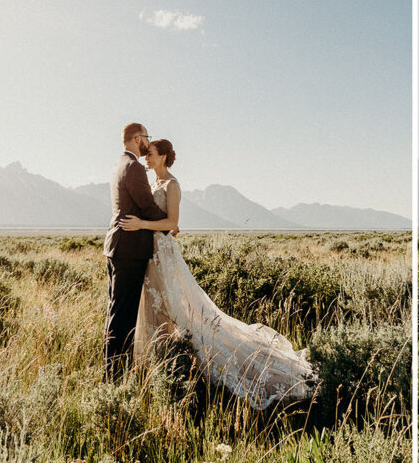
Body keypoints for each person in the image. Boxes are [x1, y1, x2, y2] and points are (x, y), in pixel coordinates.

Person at [119, 138, 317, 409]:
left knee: (178, 306)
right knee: (155, 307)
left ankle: (190, 364)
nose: (146, 159)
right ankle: (156, 364)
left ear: (164, 156)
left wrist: (142, 224)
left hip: (163, 253)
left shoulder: (172, 185)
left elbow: (172, 222)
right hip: (149, 253)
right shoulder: (151, 183)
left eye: (151, 154)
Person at [103, 122, 167, 379]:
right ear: (138, 138)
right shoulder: (134, 167)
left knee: (116, 310)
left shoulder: (119, 164)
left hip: (117, 247)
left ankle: (113, 373)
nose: (147, 144)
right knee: (124, 316)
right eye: (146, 139)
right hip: (129, 249)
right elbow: (146, 205)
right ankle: (115, 376)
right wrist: (168, 224)